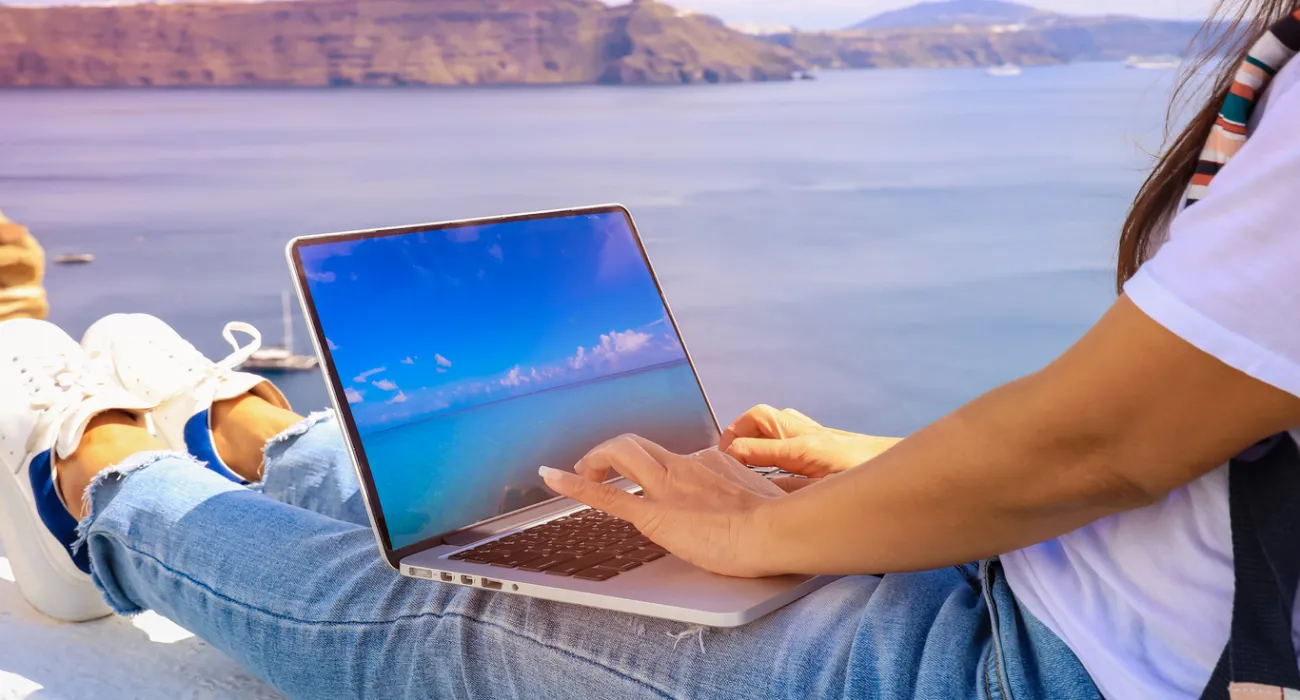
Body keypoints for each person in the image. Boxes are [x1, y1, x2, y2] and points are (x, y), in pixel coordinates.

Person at [3, 2, 1300, 697]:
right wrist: (878, 465)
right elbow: (1220, 436)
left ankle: (92, 476)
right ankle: (261, 441)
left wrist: (756, 536)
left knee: (424, 611)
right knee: (528, 515)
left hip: (1025, 669)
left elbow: (1112, 439)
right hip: (1033, 589)